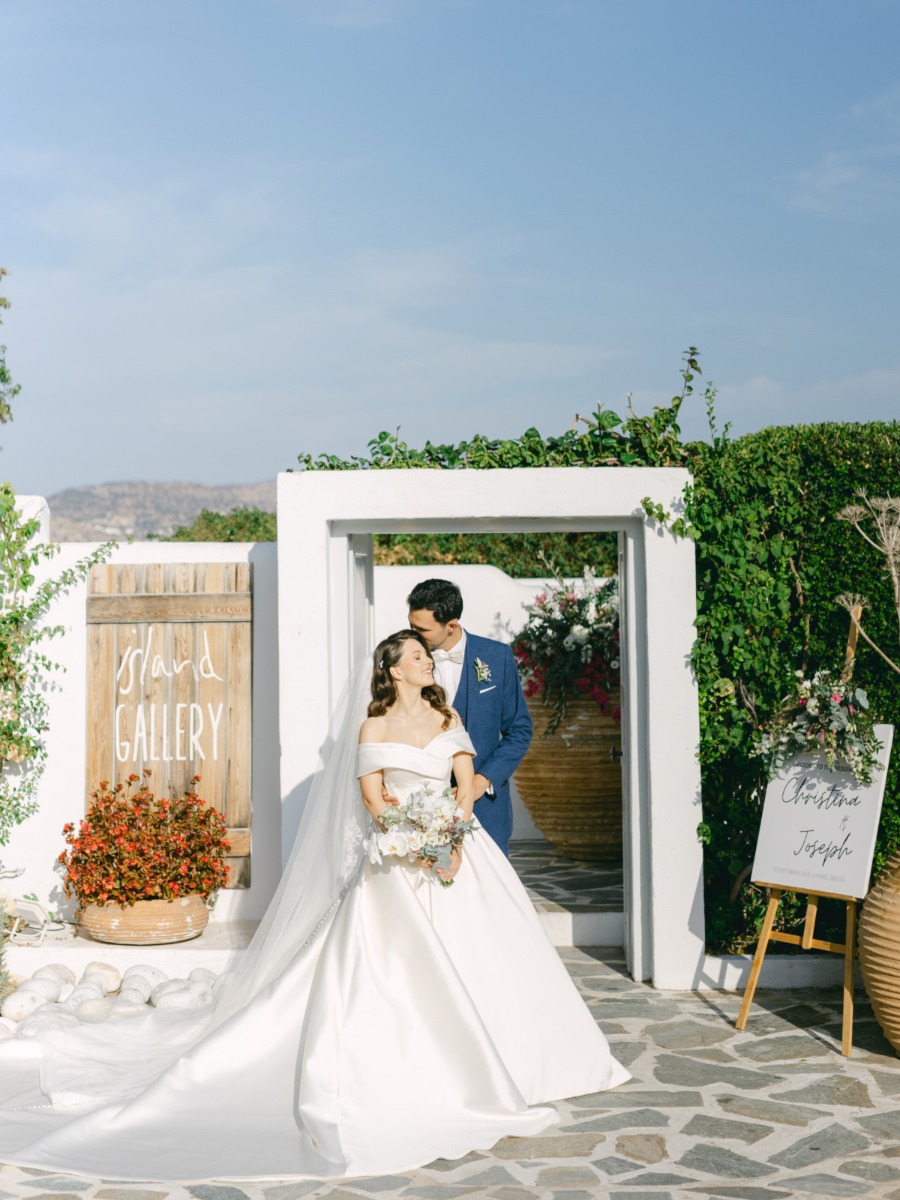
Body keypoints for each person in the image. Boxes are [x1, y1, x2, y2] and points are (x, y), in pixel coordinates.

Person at [0, 632, 628, 1182]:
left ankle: (518, 1060)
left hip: (461, 857)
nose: (429, 661)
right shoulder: (373, 729)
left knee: (495, 959)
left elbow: (466, 789)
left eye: (427, 654)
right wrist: (409, 841)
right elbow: (375, 802)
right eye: (418, 656)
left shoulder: (449, 722)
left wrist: (449, 837)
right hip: (395, 862)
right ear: (394, 670)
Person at [407, 578, 531, 855]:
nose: (412, 633)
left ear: (451, 625)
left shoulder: (496, 657)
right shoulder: (403, 657)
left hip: (485, 807)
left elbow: (519, 730)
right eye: (411, 624)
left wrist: (483, 779)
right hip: (420, 803)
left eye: (422, 629)